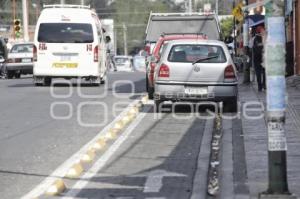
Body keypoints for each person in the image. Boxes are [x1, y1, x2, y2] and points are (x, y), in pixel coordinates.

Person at [253, 25, 266, 91]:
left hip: (256, 58)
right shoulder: (264, 38)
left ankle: (259, 86)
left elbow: (251, 48)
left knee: (258, 73)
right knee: (264, 72)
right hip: (263, 57)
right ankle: (264, 85)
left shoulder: (254, 39)